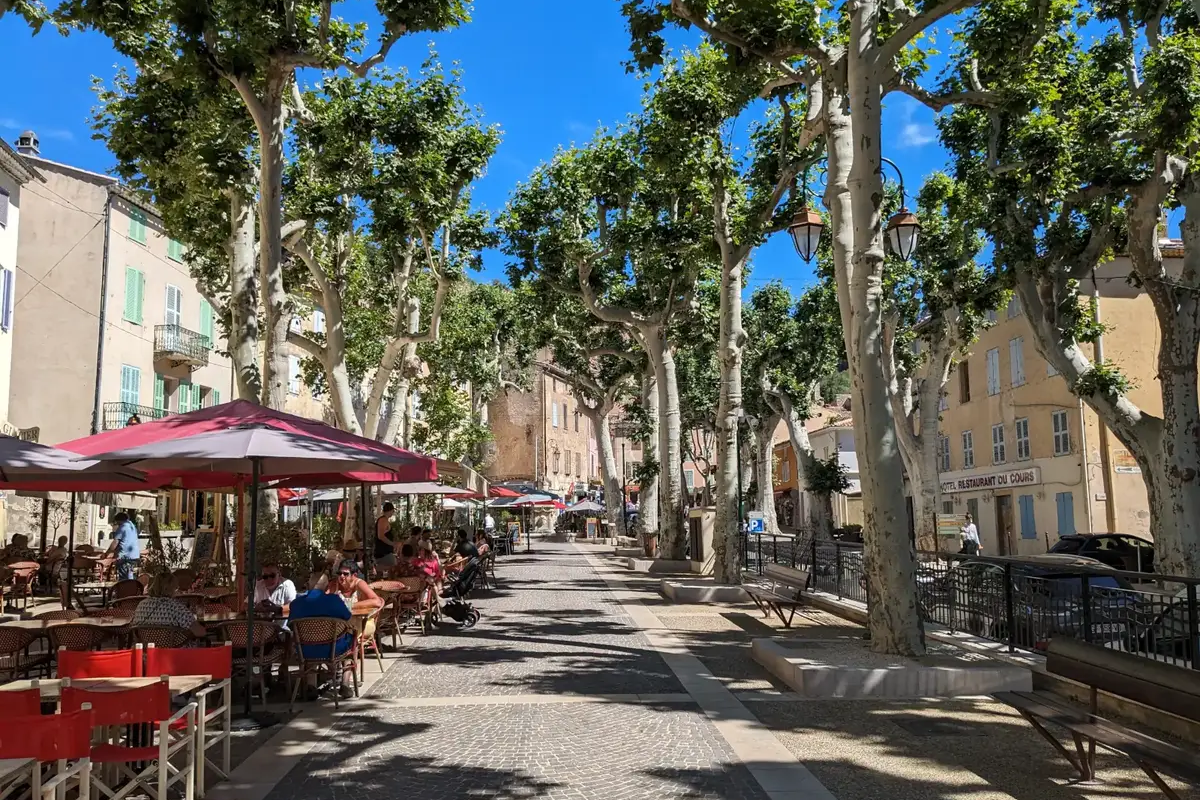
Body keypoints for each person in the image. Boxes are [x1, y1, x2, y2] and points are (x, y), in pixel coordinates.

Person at [288, 574, 356, 697]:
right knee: (351, 642)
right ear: (327, 587)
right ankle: (345, 683)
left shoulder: (296, 604)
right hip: (333, 649)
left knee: (310, 644)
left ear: (308, 585)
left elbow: (291, 626)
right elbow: (347, 617)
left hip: (306, 650)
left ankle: (311, 686)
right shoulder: (334, 600)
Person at [130, 573, 207, 639]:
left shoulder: (141, 605)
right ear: (171, 589)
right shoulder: (176, 607)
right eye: (176, 587)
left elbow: (133, 627)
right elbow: (200, 632)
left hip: (148, 650)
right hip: (174, 652)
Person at [105, 512, 141, 580]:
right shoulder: (132, 526)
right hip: (135, 556)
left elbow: (115, 543)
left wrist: (106, 553)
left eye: (117, 523)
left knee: (124, 579)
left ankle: (125, 590)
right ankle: (132, 589)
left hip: (125, 557)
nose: (117, 524)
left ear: (119, 520)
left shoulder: (122, 527)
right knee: (131, 577)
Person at [374, 502, 398, 568]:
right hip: (384, 552)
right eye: (393, 511)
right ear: (390, 510)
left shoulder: (385, 520)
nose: (393, 513)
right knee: (393, 567)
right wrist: (392, 544)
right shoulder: (383, 520)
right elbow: (380, 536)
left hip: (385, 551)